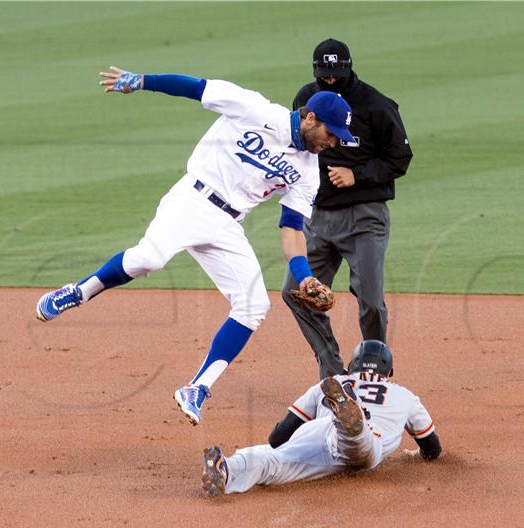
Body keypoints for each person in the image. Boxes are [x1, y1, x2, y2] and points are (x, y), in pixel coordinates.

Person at [35, 66, 354, 426]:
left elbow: (292, 228)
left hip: (227, 224)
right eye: (331, 132)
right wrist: (141, 81)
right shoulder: (255, 109)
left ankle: (197, 387)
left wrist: (305, 277)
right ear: (310, 117)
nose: (334, 141)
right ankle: (79, 291)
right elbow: (196, 88)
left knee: (253, 305)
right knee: (149, 258)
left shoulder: (308, 171)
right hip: (192, 200)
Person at [282, 39, 414, 379]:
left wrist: (358, 175)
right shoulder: (305, 100)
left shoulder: (375, 105)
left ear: (348, 68)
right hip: (319, 217)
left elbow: (400, 157)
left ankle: (376, 374)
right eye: (323, 75)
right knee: (296, 293)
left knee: (369, 299)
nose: (329, 81)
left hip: (364, 216)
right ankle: (333, 373)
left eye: (335, 74)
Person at [200, 340, 441, 496]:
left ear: (351, 367)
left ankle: (226, 468)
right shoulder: (405, 396)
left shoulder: (329, 383)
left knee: (275, 458)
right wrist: (418, 455)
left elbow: (278, 437)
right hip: (365, 439)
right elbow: (432, 447)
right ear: (389, 373)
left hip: (320, 431)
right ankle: (351, 422)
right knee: (361, 446)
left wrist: (296, 446)